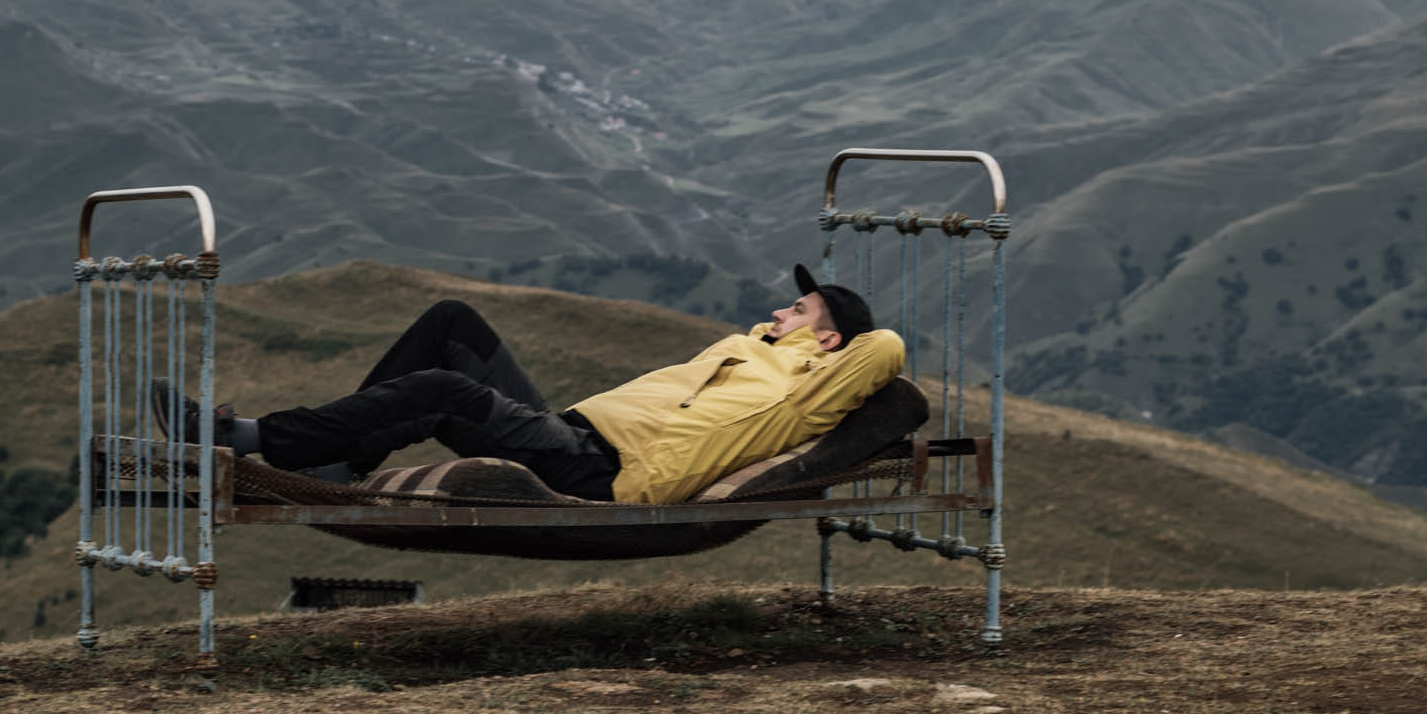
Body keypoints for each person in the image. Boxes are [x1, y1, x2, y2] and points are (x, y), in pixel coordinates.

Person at [155, 264, 904, 504]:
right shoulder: (754, 348)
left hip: (603, 468)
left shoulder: (811, 381)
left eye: (799, 308)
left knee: (446, 388)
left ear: (831, 337)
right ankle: (338, 462)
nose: (781, 309)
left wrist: (839, 339)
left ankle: (248, 439)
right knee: (452, 323)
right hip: (570, 430)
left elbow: (887, 351)